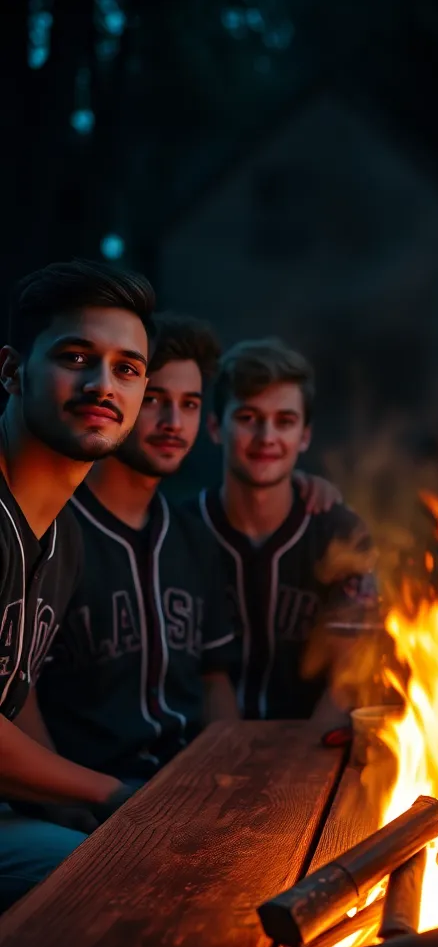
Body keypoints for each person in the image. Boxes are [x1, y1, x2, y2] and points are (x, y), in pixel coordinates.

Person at [22, 314, 240, 786]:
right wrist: (69, 808)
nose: (172, 423)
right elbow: (20, 699)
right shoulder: (53, 529)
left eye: (190, 405)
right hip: (84, 801)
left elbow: (213, 678)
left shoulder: (193, 536)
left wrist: (230, 776)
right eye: (156, 399)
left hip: (186, 789)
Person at [0, 258, 155, 909]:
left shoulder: (63, 539)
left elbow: (16, 691)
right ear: (11, 370)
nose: (103, 384)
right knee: (125, 886)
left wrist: (65, 801)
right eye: (76, 356)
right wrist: (104, 792)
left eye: (127, 368)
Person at [199, 337, 374, 720]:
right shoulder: (184, 530)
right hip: (202, 752)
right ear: (215, 427)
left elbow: (345, 682)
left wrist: (299, 771)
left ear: (305, 436)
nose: (267, 438)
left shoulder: (340, 533)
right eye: (248, 418)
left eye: (285, 421)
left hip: (313, 751)